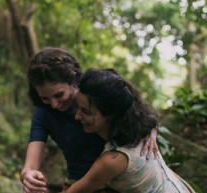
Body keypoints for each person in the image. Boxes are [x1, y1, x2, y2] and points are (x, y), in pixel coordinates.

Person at [20, 47, 158, 193]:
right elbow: (30, 166)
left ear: (73, 80)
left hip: (118, 183)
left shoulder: (97, 92)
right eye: (45, 98)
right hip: (77, 183)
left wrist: (151, 130)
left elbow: (134, 110)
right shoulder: (43, 113)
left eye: (59, 95)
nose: (54, 104)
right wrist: (28, 176)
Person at [63, 68, 195, 193]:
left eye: (86, 112)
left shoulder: (113, 159)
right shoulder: (139, 129)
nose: (77, 116)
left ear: (110, 113)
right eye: (77, 108)